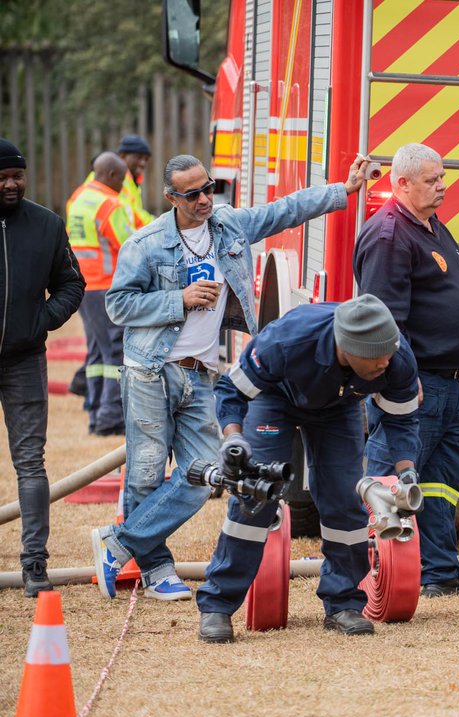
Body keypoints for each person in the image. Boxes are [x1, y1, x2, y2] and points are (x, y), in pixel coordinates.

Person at [92, 152, 371, 601]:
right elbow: (117, 305)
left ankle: (119, 543)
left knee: (210, 474)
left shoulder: (228, 226)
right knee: (145, 476)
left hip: (202, 373)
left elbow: (284, 210)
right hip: (150, 371)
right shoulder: (145, 244)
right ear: (171, 198)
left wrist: (343, 190)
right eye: (193, 194)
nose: (205, 199)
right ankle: (158, 569)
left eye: (209, 188)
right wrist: (177, 299)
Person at [195, 295, 421, 642]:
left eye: (390, 354)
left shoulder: (395, 358)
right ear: (349, 348)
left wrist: (407, 474)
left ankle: (343, 602)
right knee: (255, 498)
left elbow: (402, 422)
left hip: (340, 404)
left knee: (345, 499)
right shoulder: (286, 341)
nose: (386, 363)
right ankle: (217, 606)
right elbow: (231, 390)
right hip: (274, 397)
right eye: (378, 357)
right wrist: (233, 439)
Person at [353, 142, 459, 598]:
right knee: (391, 482)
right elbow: (385, 321)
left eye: (442, 177)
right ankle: (374, 573)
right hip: (418, 384)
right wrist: (406, 380)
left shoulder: (427, 226)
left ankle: (439, 572)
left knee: (440, 485)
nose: (442, 187)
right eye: (431, 180)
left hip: (447, 384)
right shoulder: (389, 235)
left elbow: (457, 275)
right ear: (400, 183)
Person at [0, 138, 86, 597]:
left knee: (30, 464)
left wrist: (41, 322)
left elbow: (73, 284)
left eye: (17, 175)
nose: (12, 184)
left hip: (25, 359)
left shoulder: (47, 225)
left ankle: (35, 565)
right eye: (3, 178)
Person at [64, 152, 136, 435]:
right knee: (116, 350)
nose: (123, 185)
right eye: (122, 179)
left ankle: (95, 411)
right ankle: (109, 418)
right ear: (112, 176)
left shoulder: (78, 197)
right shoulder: (110, 204)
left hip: (83, 285)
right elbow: (129, 245)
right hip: (107, 285)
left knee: (97, 350)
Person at [115, 135, 155, 228]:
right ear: (122, 156)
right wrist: (160, 224)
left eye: (146, 159)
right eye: (138, 157)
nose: (143, 163)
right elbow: (132, 215)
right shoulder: (116, 179)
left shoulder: (131, 181)